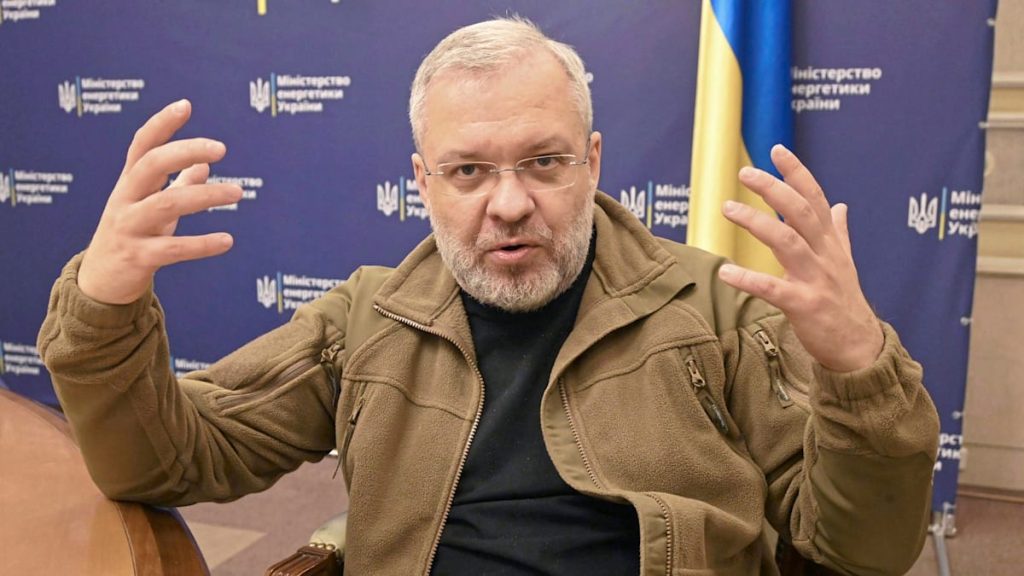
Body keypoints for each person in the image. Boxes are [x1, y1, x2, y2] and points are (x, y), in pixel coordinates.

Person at [39, 17, 939, 576]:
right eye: (468, 171)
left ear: (592, 162)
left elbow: (862, 551)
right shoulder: (366, 321)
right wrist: (106, 309)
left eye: (544, 162)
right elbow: (164, 464)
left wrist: (859, 370)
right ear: (422, 183)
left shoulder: (717, 309)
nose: (509, 204)